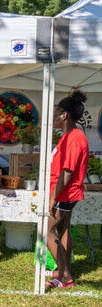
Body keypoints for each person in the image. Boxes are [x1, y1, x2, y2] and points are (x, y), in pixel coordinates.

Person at [46, 90, 89, 288]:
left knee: (46, 230)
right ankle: (63, 269)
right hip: (65, 192)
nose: (53, 117)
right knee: (62, 230)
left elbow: (68, 172)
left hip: (65, 192)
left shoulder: (74, 138)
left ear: (64, 115)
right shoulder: (69, 136)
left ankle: (64, 275)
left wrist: (53, 197)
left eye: (55, 112)